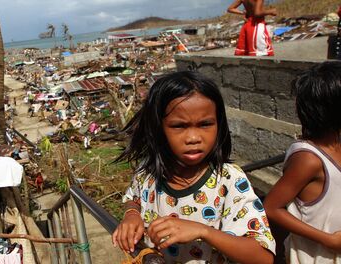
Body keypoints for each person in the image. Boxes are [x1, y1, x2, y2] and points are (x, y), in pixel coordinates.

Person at [112, 71, 275, 263]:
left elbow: (263, 257)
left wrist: (203, 231)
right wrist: (131, 214)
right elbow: (134, 197)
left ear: (219, 125)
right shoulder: (147, 172)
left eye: (205, 124)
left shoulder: (229, 180)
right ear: (158, 127)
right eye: (179, 126)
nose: (193, 138)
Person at [263, 61, 341, 264]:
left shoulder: (336, 145)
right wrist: (329, 240)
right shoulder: (309, 159)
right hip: (318, 256)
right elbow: (272, 207)